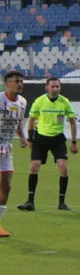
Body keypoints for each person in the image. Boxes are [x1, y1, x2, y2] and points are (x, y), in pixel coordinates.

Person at [18, 77, 78, 212]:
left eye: (58, 86)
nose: (55, 89)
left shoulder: (64, 102)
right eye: (53, 86)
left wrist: (74, 142)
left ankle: (62, 203)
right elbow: (32, 119)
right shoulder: (39, 101)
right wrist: (30, 139)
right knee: (34, 167)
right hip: (41, 138)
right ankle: (30, 202)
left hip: (58, 139)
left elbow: (73, 121)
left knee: (63, 168)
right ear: (46, 88)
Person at [0, 71, 28, 237]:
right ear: (6, 83)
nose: (20, 84)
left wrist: (23, 137)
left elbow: (17, 122)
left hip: (6, 146)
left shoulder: (22, 102)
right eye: (17, 81)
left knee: (6, 184)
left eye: (21, 81)